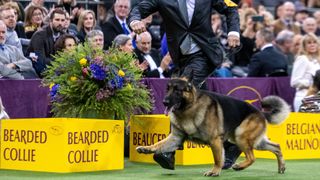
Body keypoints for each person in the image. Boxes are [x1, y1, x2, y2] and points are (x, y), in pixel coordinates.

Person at [129, 0, 240, 170]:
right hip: (181, 59)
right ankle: (232, 144)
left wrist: (233, 32)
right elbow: (139, 8)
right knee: (201, 105)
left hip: (204, 54)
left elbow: (231, 8)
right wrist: (135, 20)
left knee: (179, 94)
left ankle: (169, 151)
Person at [27, 8, 66, 77]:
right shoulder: (39, 35)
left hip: (55, 70)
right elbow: (41, 61)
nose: (60, 23)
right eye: (57, 20)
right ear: (51, 21)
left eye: (62, 20)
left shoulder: (64, 35)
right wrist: (60, 62)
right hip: (36, 70)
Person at [291, 33, 320, 112]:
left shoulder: (318, 60)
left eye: (314, 42)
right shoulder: (302, 59)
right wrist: (313, 84)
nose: (312, 45)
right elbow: (294, 82)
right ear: (304, 46)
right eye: (309, 43)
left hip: (317, 99)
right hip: (304, 97)